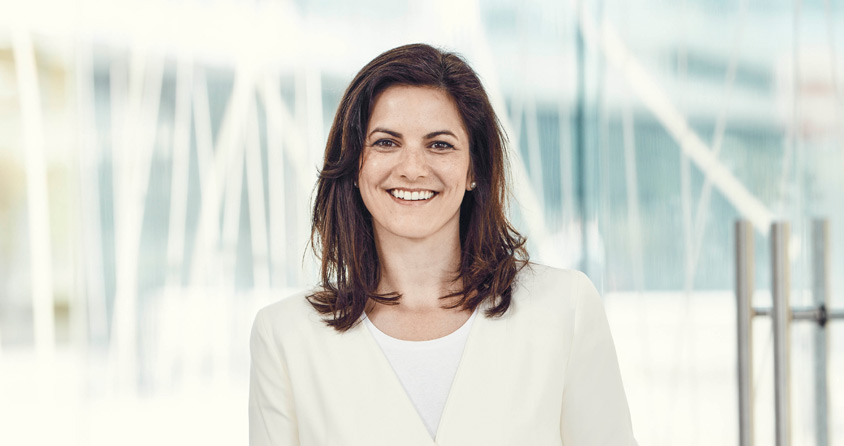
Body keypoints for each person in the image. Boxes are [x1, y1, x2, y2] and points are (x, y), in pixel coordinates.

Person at [249, 43, 637, 446]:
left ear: (474, 168)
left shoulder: (565, 308)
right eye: (386, 142)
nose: (412, 168)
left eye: (440, 145)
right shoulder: (284, 336)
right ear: (353, 164)